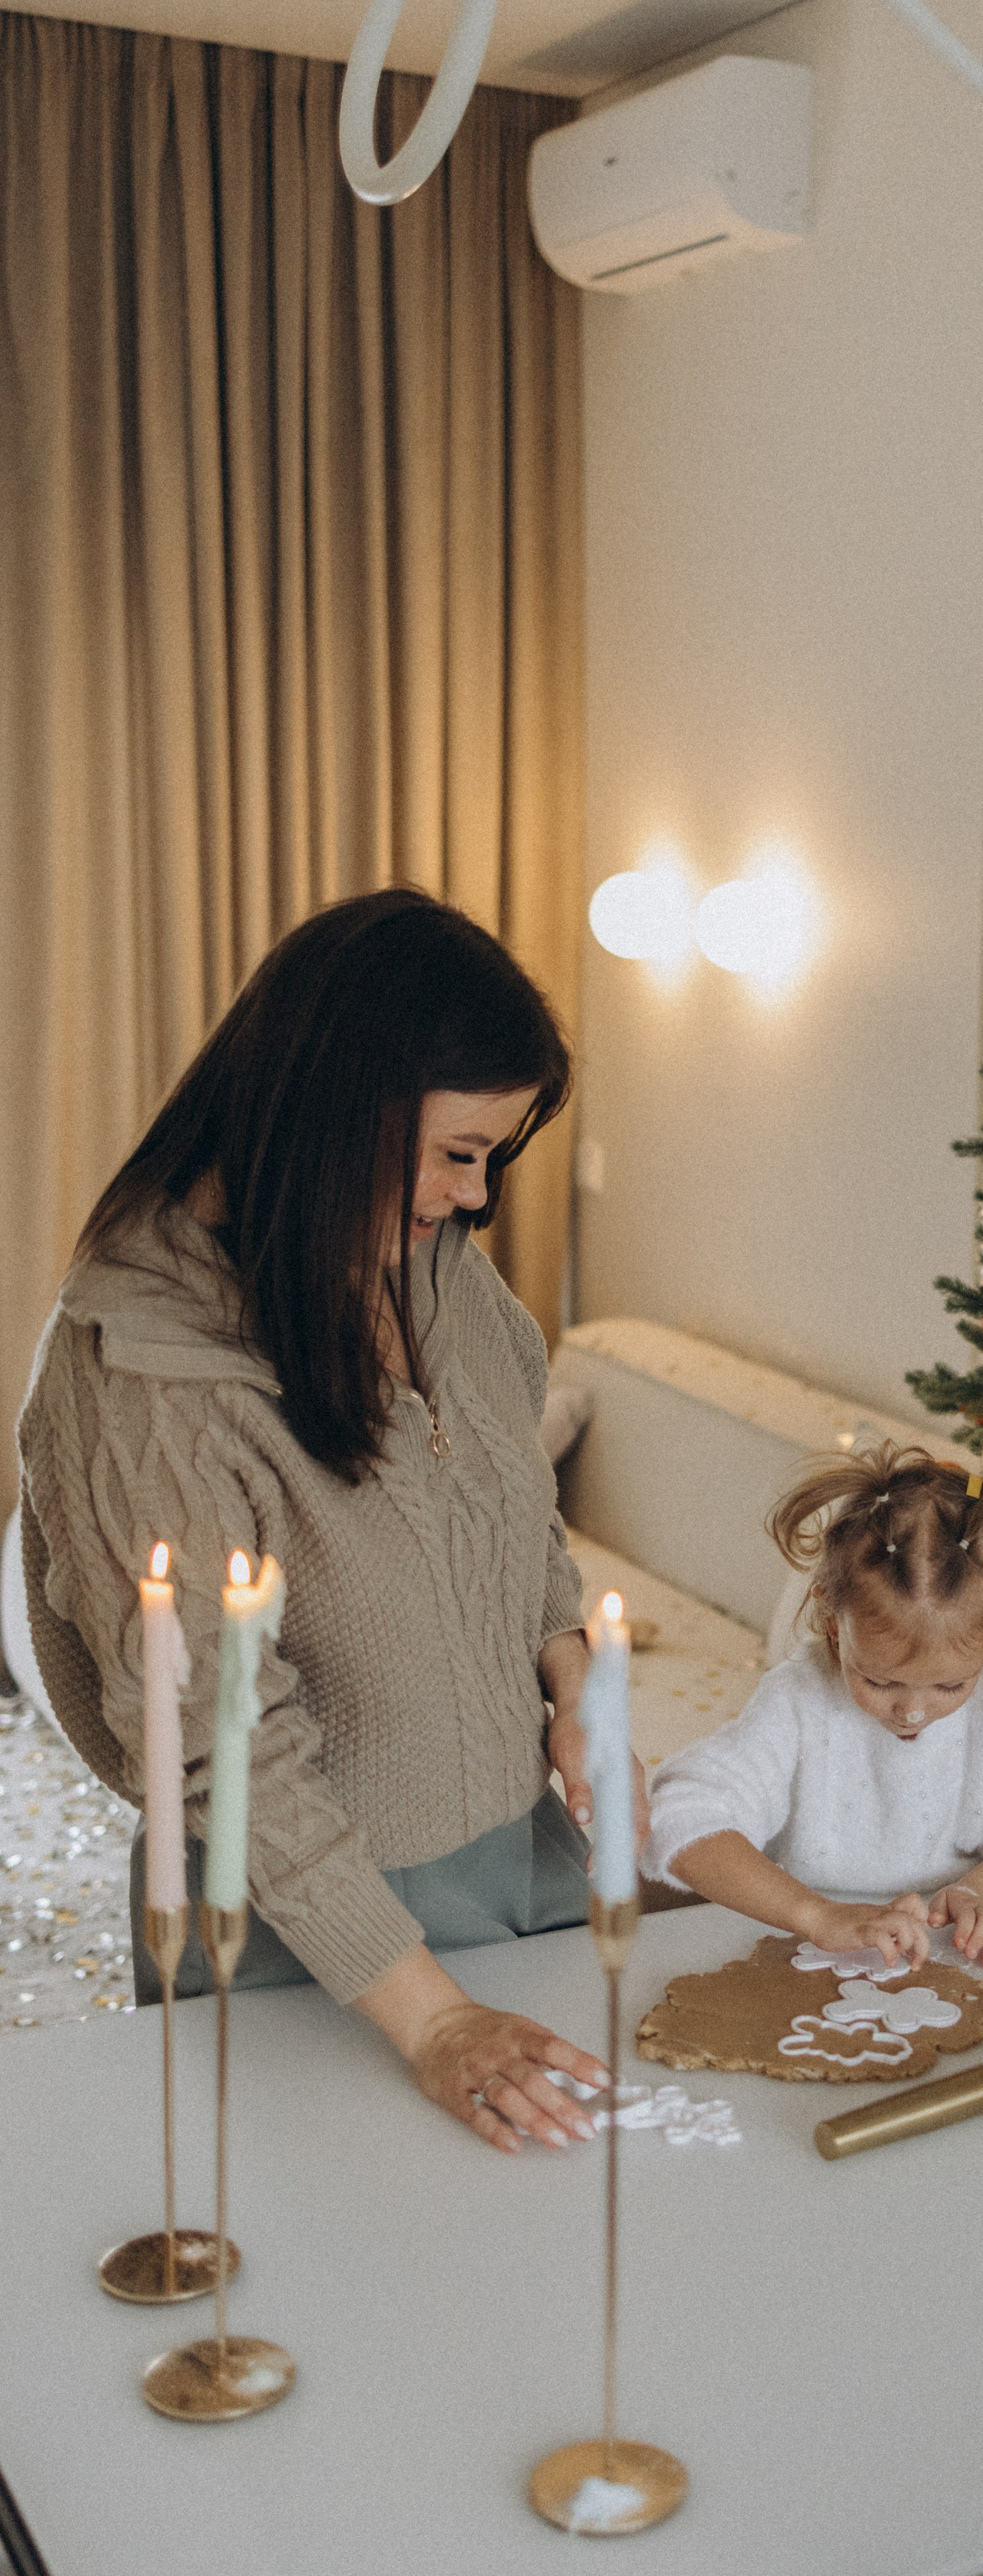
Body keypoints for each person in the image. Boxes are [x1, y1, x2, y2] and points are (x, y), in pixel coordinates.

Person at [17, 889, 635, 2156]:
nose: (476, 1198)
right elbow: (215, 1755)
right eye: (460, 1150)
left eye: (496, 1157)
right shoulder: (141, 1373)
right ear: (339, 1102)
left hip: (519, 1858)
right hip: (310, 1930)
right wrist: (431, 2020)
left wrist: (569, 1668)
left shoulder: (432, 1270)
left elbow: (511, 1502)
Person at [643, 1441, 983, 1968]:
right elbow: (682, 1819)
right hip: (807, 1949)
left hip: (947, 1953)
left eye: (950, 1687)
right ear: (831, 1623)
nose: (912, 1711)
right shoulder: (798, 1700)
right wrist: (818, 1916)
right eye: (881, 1682)